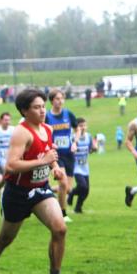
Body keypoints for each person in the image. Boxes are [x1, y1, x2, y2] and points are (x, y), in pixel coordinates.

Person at [0, 88, 75, 274]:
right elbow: (10, 165)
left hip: (40, 189)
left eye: (43, 106)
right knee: (5, 238)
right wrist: (44, 161)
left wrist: (55, 166)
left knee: (60, 228)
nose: (42, 111)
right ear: (24, 111)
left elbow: (48, 152)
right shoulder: (21, 132)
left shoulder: (47, 128)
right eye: (37, 107)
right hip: (18, 193)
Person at [45, 89, 77, 222]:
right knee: (63, 183)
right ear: (52, 101)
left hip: (69, 154)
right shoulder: (47, 117)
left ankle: (45, 190)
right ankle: (62, 214)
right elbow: (42, 131)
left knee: (68, 188)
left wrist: (75, 142)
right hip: (56, 156)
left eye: (62, 98)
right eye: (57, 98)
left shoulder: (68, 114)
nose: (60, 101)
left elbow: (77, 128)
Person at [67, 118, 96, 214]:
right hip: (75, 166)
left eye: (84, 125)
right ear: (76, 127)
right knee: (82, 186)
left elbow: (90, 150)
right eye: (80, 126)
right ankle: (71, 193)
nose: (83, 128)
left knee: (86, 191)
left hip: (85, 166)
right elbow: (68, 150)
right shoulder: (73, 137)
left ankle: (77, 208)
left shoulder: (89, 136)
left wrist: (94, 148)